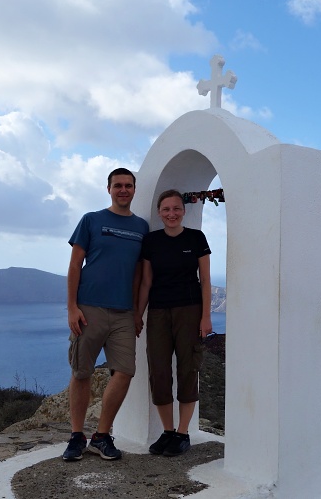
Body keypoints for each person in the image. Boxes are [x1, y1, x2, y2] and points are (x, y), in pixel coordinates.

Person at [62, 167, 149, 462]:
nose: (123, 190)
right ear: (108, 189)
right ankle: (76, 436)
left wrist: (138, 311)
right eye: (118, 185)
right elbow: (75, 265)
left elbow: (139, 272)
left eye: (128, 185)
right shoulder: (91, 220)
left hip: (124, 312)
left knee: (124, 371)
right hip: (89, 309)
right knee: (81, 372)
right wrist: (72, 307)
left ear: (134, 190)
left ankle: (101, 436)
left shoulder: (141, 227)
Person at [135, 189, 212, 457]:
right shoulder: (151, 241)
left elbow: (205, 280)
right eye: (166, 209)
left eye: (176, 208)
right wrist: (138, 314)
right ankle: (168, 432)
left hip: (189, 311)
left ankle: (182, 433)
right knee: (159, 371)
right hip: (157, 312)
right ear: (159, 212)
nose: (172, 214)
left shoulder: (196, 238)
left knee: (188, 369)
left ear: (184, 210)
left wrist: (206, 316)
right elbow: (146, 282)